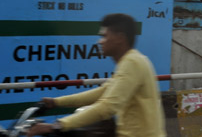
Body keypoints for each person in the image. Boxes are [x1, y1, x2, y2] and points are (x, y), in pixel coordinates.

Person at [27, 13, 166, 137]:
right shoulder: (131, 61)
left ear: (120, 38)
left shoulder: (132, 62)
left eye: (104, 36)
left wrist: (58, 125)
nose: (99, 41)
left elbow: (107, 106)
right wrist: (56, 102)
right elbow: (101, 93)